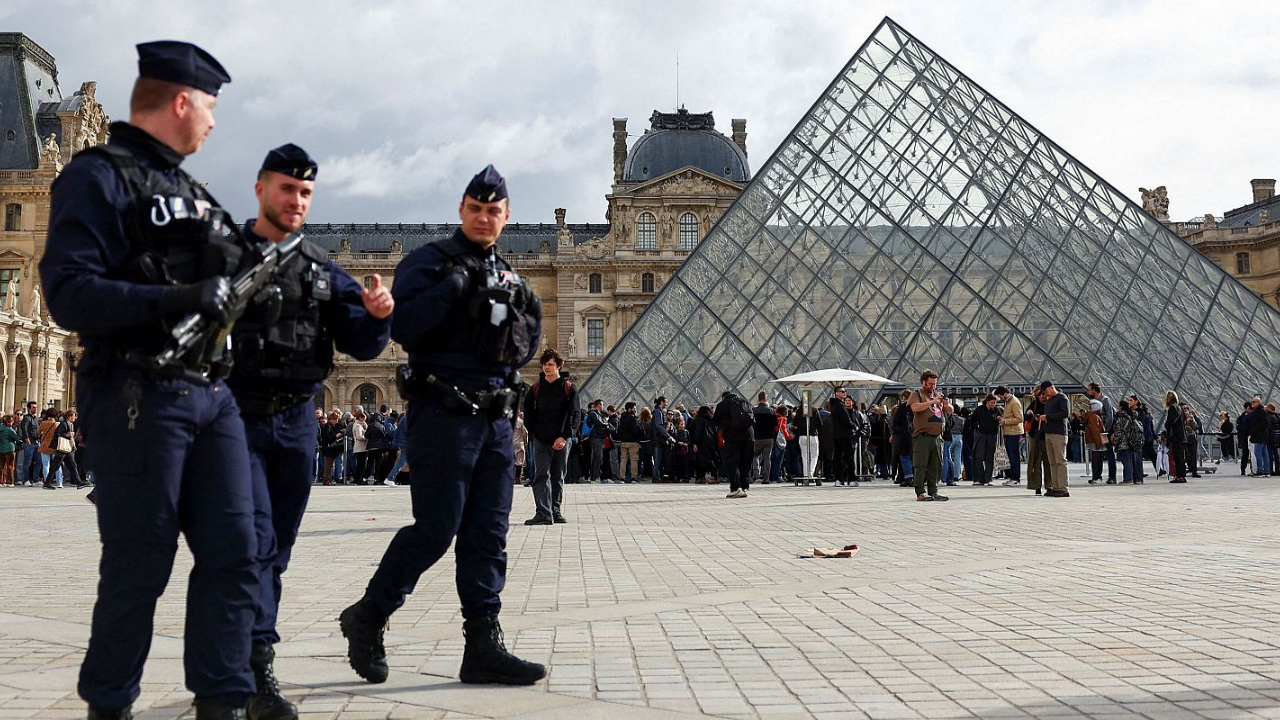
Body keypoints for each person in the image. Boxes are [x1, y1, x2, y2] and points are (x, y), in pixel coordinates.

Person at [40, 41, 258, 719]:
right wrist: (174, 301)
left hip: (210, 395)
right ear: (182, 101)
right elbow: (69, 294)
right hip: (138, 390)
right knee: (139, 563)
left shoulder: (193, 192)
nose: (216, 124)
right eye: (212, 108)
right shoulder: (97, 176)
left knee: (236, 552)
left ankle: (222, 701)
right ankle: (110, 705)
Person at [338, 165, 545, 687]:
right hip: (443, 414)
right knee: (435, 529)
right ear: (462, 210)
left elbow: (525, 347)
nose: (484, 217)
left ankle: (482, 645)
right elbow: (402, 328)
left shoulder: (514, 282)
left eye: (493, 210)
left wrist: (503, 309)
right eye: (475, 209)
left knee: (488, 535)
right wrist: (453, 291)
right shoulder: (428, 263)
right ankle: (369, 615)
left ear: (506, 216)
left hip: (495, 422)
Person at [226, 144, 393, 719]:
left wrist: (376, 314)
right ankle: (252, 666)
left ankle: (249, 659)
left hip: (297, 419)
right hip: (235, 416)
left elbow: (364, 344)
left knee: (276, 547)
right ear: (260, 189)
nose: (295, 200)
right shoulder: (225, 257)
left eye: (304, 193)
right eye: (285, 189)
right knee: (250, 544)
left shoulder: (321, 269)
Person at [522, 348, 576, 524]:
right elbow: (528, 412)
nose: (547, 367)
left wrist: (564, 436)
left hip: (561, 439)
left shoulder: (569, 388)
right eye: (545, 364)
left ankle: (555, 510)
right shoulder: (536, 388)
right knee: (541, 475)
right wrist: (535, 432)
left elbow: (574, 414)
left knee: (558, 475)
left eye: (550, 364)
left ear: (558, 366)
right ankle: (543, 513)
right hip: (541, 439)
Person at [907, 370, 952, 501]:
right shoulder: (917, 394)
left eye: (935, 384)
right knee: (920, 465)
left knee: (936, 465)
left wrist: (945, 404)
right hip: (923, 436)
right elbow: (915, 408)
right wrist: (932, 402)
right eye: (930, 384)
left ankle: (934, 490)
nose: (933, 386)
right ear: (923, 382)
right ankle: (920, 492)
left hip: (937, 436)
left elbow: (950, 411)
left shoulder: (937, 395)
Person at [713, 390, 756, 498]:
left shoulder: (722, 405)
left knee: (731, 462)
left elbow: (715, 422)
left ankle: (735, 488)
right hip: (749, 436)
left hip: (732, 437)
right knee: (745, 462)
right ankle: (744, 486)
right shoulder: (746, 402)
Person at [1038, 381, 1070, 497]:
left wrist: (1048, 417)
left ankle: (1063, 487)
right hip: (1049, 432)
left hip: (1059, 433)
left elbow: (1065, 413)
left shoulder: (1062, 398)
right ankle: (1056, 486)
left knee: (1060, 460)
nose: (1045, 394)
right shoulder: (1049, 400)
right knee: (1052, 461)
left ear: (1051, 388)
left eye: (1046, 392)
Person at [969, 394, 1000, 486]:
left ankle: (988, 478)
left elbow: (998, 419)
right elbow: (972, 420)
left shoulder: (996, 410)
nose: (993, 404)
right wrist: (977, 426)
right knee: (979, 456)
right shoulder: (980, 409)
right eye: (991, 402)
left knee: (989, 457)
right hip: (981, 434)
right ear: (987, 401)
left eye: (994, 403)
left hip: (992, 435)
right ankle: (979, 478)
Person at [997, 386, 1023, 486]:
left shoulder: (1014, 402)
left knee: (1014, 456)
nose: (1000, 399)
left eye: (1000, 396)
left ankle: (1016, 478)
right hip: (1008, 432)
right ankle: (1012, 477)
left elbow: (1020, 418)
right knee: (1011, 456)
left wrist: (1005, 421)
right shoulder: (1008, 402)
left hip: (1014, 432)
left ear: (1005, 394)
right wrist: (1003, 417)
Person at [1164, 391, 1187, 483]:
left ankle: (1179, 476)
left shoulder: (1172, 408)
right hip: (1181, 435)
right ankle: (1181, 475)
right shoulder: (1179, 408)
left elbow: (1170, 422)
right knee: (1180, 456)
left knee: (1177, 456)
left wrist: (1167, 431)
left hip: (1175, 436)